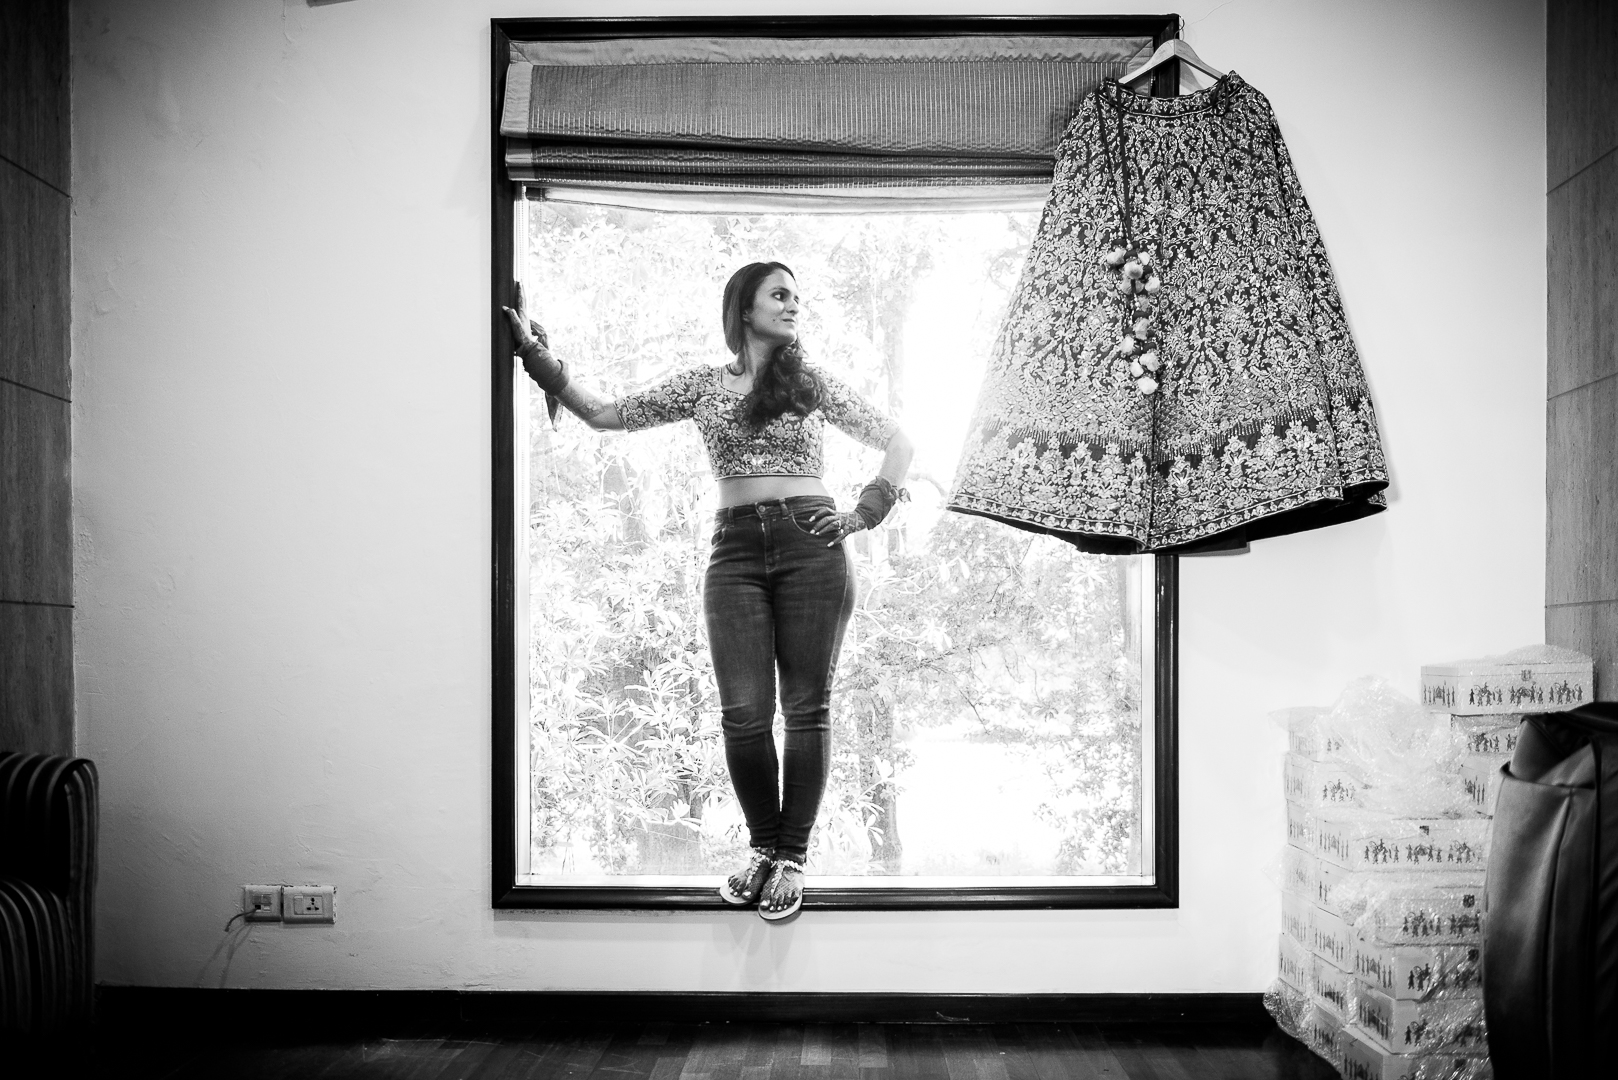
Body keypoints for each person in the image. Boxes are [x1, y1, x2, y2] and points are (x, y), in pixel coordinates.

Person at [503, 262, 914, 921]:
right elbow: (608, 415)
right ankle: (762, 846)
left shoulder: (810, 384)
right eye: (780, 295)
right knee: (745, 713)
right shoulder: (701, 386)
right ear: (743, 308)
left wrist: (866, 511)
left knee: (807, 707)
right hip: (736, 553)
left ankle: (790, 858)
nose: (792, 306)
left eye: (797, 298)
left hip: (814, 546)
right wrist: (537, 359)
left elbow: (898, 442)